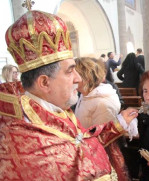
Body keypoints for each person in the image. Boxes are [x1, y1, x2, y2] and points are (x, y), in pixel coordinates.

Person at [0, 9, 137, 180]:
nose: (78, 78)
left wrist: (117, 124)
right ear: (44, 83)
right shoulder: (19, 142)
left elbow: (79, 142)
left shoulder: (51, 108)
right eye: (70, 71)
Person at [74, 57, 130, 181]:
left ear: (86, 77)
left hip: (103, 156)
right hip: (85, 149)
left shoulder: (103, 101)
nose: (73, 79)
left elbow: (104, 136)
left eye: (75, 74)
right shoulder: (85, 95)